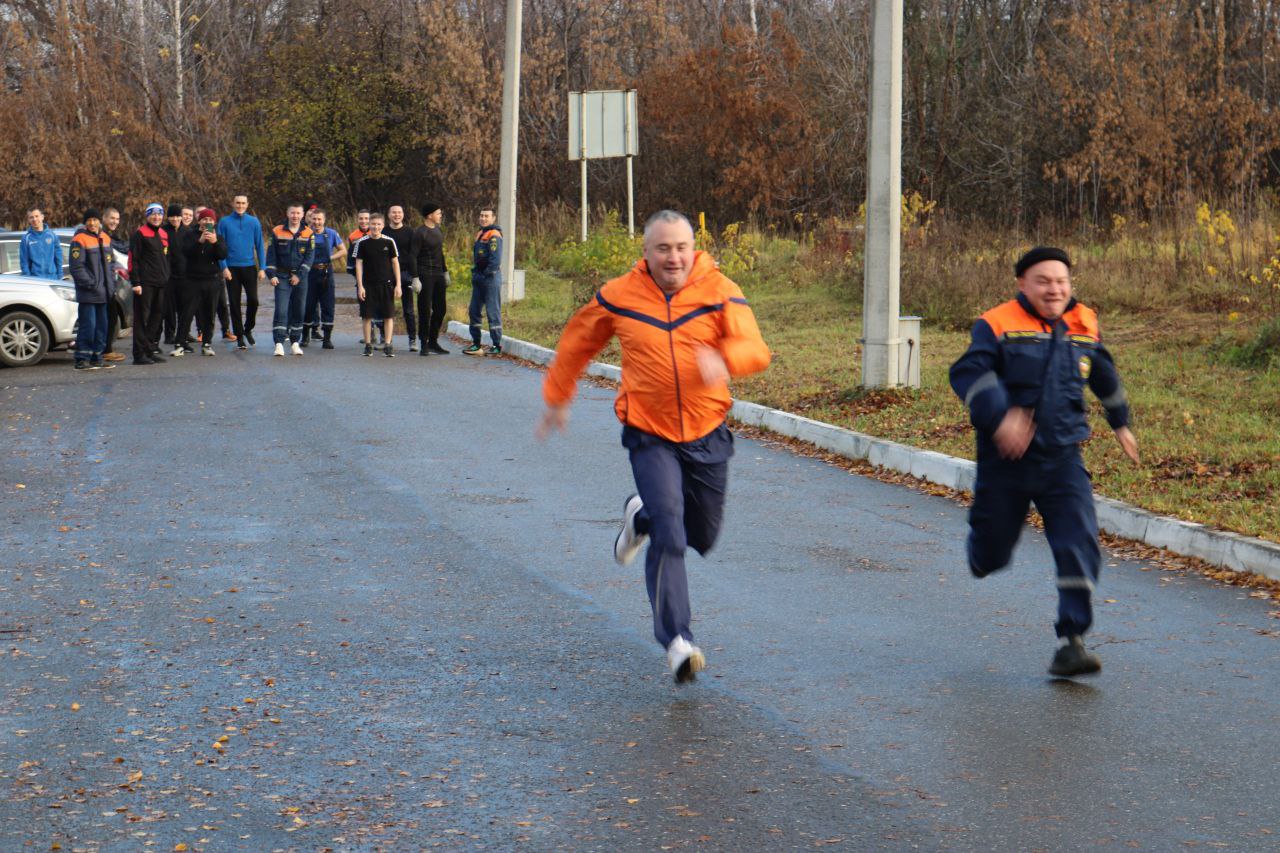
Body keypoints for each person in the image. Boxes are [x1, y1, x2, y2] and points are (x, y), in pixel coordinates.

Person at [536, 210, 771, 683]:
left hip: (707, 430)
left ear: (695, 248)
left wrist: (722, 358)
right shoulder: (621, 295)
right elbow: (579, 341)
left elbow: (756, 349)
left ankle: (637, 516)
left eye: (681, 247)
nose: (673, 257)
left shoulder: (720, 290)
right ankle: (677, 641)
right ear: (645, 253)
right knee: (670, 530)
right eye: (663, 248)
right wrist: (558, 396)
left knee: (700, 534)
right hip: (649, 432)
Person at [949, 246, 1139, 678]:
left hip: (1063, 457)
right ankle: (983, 553)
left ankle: (1071, 641)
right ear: (1023, 285)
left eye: (1061, 281)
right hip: (1006, 460)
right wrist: (1001, 418)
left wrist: (1121, 423)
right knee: (992, 553)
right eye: (1043, 281)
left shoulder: (1084, 323)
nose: (1054, 289)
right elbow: (968, 373)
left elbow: (1103, 374)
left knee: (1079, 541)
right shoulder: (997, 323)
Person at [67, 208, 116, 370]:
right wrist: (91, 284)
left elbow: (111, 265)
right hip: (89, 293)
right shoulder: (79, 239)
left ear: (99, 221)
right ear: (85, 222)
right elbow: (77, 267)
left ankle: (97, 357)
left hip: (104, 293)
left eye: (95, 220)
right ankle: (81, 358)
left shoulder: (105, 238)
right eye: (89, 220)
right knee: (89, 326)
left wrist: (111, 286)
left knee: (102, 327)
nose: (92, 223)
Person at [217, 194, 267, 350]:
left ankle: (248, 328)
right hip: (231, 268)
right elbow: (219, 247)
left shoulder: (253, 222)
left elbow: (259, 245)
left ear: (247, 204)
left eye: (243, 203)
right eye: (237, 203)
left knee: (254, 300)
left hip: (249, 267)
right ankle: (239, 336)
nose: (240, 205)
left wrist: (263, 268)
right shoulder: (224, 222)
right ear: (233, 204)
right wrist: (224, 267)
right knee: (234, 303)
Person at [265, 203, 315, 357]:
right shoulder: (277, 231)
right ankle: (279, 343)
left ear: (303, 215)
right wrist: (272, 275)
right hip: (281, 277)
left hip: (300, 278)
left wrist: (299, 276)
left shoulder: (308, 233)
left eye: (298, 213)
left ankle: (295, 342)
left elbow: (309, 258)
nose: (295, 216)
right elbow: (271, 256)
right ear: (287, 214)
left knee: (299, 310)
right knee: (281, 309)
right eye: (292, 213)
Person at [178, 208, 227, 357]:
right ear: (199, 221)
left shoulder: (218, 237)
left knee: (209, 313)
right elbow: (186, 252)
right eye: (204, 219)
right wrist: (200, 242)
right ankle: (180, 343)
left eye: (210, 220)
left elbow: (223, 255)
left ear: (214, 222)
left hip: (212, 280)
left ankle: (207, 343)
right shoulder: (189, 235)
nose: (207, 222)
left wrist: (215, 242)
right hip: (193, 280)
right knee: (187, 313)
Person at [127, 203, 171, 365]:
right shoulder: (139, 234)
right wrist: (135, 282)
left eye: (159, 214)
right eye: (153, 214)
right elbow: (133, 260)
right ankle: (139, 355)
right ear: (147, 216)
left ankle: (149, 350)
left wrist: (167, 277)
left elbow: (166, 259)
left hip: (161, 283)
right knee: (142, 319)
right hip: (144, 284)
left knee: (156, 318)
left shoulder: (163, 234)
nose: (156, 217)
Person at [352, 212, 400, 357]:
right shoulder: (362, 242)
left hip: (386, 284)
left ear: (383, 225)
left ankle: (388, 344)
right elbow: (358, 264)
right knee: (367, 316)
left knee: (388, 316)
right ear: (369, 225)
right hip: (368, 285)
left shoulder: (389, 241)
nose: (375, 227)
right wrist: (360, 285)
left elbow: (395, 263)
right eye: (373, 224)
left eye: (378, 224)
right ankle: (368, 345)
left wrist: (398, 285)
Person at [302, 208, 345, 349]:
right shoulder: (305, 233)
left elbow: (343, 250)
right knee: (308, 306)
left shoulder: (331, 234)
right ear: (310, 220)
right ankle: (306, 336)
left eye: (319, 219)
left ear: (324, 220)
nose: (317, 222)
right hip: (309, 273)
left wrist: (330, 258)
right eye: (314, 219)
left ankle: (327, 338)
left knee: (328, 305)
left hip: (326, 272)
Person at [464, 206, 503, 355]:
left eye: (487, 216)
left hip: (490, 278)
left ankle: (496, 345)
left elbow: (495, 260)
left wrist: (487, 273)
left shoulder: (494, 235)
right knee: (474, 311)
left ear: (493, 218)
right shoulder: (480, 233)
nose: (483, 218)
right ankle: (476, 343)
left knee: (492, 311)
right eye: (481, 216)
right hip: (478, 278)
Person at [412, 201, 450, 355]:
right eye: (438, 213)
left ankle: (433, 341)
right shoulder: (420, 233)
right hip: (424, 274)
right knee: (425, 310)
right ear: (430, 215)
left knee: (441, 309)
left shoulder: (438, 231)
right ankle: (424, 343)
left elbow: (440, 254)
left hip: (438, 274)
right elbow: (412, 256)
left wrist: (445, 272)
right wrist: (415, 278)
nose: (440, 216)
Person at [384, 205, 419, 351]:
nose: (396, 215)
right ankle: (385, 338)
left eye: (399, 212)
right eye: (394, 212)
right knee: (386, 307)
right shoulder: (384, 231)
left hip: (406, 273)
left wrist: (415, 276)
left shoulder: (410, 232)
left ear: (403, 215)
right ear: (389, 214)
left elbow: (414, 255)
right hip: (387, 273)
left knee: (408, 309)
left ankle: (412, 340)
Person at [99, 207, 128, 362]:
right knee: (107, 317)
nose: (115, 222)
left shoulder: (111, 236)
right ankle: (104, 350)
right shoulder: (101, 235)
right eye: (112, 218)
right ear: (104, 218)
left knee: (111, 317)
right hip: (101, 283)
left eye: (117, 219)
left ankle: (106, 349)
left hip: (110, 282)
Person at [347, 209, 379, 345]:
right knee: (365, 305)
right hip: (362, 277)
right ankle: (370, 334)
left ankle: (382, 334)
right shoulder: (353, 236)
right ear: (357, 220)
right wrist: (355, 274)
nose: (364, 221)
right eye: (361, 218)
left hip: (377, 275)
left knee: (379, 306)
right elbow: (351, 257)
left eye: (366, 218)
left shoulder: (377, 233)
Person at [163, 204, 191, 352]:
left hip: (185, 276)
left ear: (181, 217)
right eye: (172, 216)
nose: (175, 219)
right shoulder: (163, 231)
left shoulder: (187, 232)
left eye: (177, 216)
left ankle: (183, 337)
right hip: (168, 276)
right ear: (168, 218)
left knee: (184, 309)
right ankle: (169, 335)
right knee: (169, 308)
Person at [19, 207, 62, 280]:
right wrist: (28, 278)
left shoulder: (52, 236)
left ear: (42, 217)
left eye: (36, 216)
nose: (34, 219)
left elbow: (58, 258)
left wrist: (60, 276)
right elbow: (24, 262)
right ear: (28, 220)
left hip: (53, 279)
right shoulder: (26, 238)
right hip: (36, 280)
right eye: (31, 217)